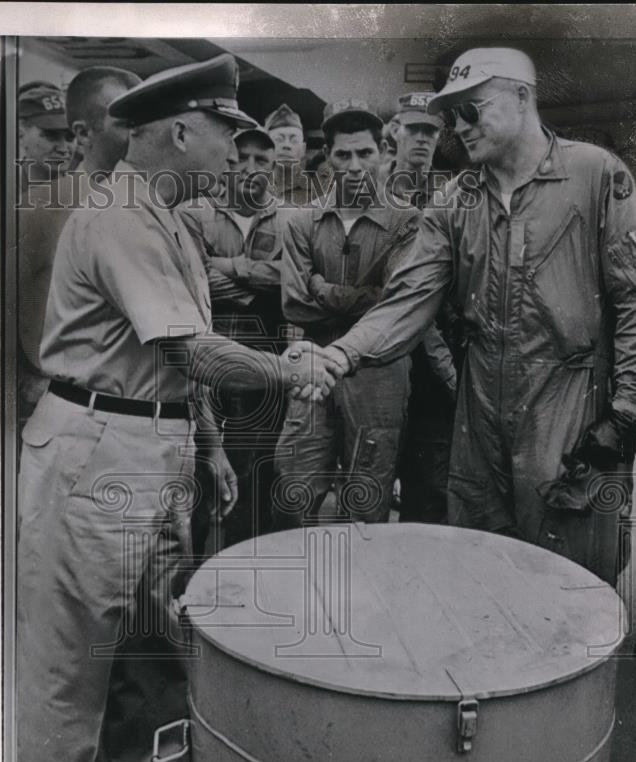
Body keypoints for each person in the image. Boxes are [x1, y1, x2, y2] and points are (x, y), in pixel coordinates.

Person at [15, 54, 341, 762]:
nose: (238, 149)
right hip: (99, 444)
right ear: (180, 130)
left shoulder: (165, 215)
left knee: (155, 633)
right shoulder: (123, 216)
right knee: (72, 658)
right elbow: (191, 347)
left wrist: (211, 448)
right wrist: (287, 369)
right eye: (228, 131)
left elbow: (170, 357)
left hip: (150, 439)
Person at [315, 47, 636, 584]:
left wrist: (625, 415)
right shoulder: (456, 199)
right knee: (480, 565)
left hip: (569, 405)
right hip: (480, 402)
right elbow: (406, 299)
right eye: (451, 116)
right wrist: (340, 354)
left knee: (569, 575)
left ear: (521, 97)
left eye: (472, 110)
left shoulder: (596, 175)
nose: (458, 127)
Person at [272, 98, 416, 528]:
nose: (354, 166)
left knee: (367, 497)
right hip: (313, 364)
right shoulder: (301, 222)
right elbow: (295, 303)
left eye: (365, 153)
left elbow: (396, 303)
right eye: (343, 154)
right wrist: (360, 295)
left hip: (379, 372)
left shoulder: (406, 222)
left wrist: (322, 287)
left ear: (384, 153)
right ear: (328, 157)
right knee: (295, 483)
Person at [178, 126, 286, 546]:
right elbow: (195, 280)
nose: (250, 168)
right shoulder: (193, 213)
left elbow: (291, 280)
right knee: (203, 462)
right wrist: (256, 287)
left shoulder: (291, 218)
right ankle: (190, 574)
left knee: (256, 465)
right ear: (227, 158)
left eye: (263, 160)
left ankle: (243, 561)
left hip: (265, 353)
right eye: (242, 157)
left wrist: (230, 267)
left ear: (275, 168)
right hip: (204, 348)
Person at [17, 67, 141, 428]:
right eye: (128, 125)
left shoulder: (147, 207)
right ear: (84, 133)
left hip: (124, 407)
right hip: (54, 403)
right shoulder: (43, 205)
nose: (141, 137)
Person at [382, 93, 460, 524]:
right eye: (415, 130)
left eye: (431, 132)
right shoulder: (373, 191)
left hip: (435, 357)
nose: (423, 140)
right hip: (389, 348)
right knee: (373, 476)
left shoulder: (451, 196)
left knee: (430, 482)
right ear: (395, 131)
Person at [17, 81, 76, 187]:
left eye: (70, 136)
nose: (63, 149)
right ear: (20, 136)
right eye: (51, 135)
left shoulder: (83, 195)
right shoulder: (5, 190)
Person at [265, 102, 312, 206]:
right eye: (279, 139)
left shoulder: (316, 191)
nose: (286, 145)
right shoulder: (255, 186)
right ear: (266, 147)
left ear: (303, 149)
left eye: (294, 140)